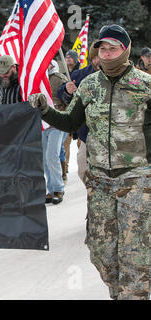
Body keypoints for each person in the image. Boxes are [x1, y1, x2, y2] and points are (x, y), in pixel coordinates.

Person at [28, 24, 150, 300]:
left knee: (136, 252)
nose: (106, 54)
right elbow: (71, 121)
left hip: (137, 179)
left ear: (125, 50)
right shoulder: (89, 84)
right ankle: (119, 293)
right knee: (101, 250)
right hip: (101, 181)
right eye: (102, 49)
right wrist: (45, 110)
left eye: (113, 48)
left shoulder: (144, 84)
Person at [58, 42, 101, 182]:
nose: (97, 61)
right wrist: (67, 90)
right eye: (94, 57)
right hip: (86, 134)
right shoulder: (81, 74)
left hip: (111, 137)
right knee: (83, 170)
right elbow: (62, 93)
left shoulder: (115, 74)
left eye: (99, 56)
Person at [43, 60, 68, 204]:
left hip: (57, 122)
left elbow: (68, 99)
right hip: (42, 123)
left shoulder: (59, 79)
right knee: (45, 159)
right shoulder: (36, 79)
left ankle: (59, 188)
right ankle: (51, 189)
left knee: (52, 155)